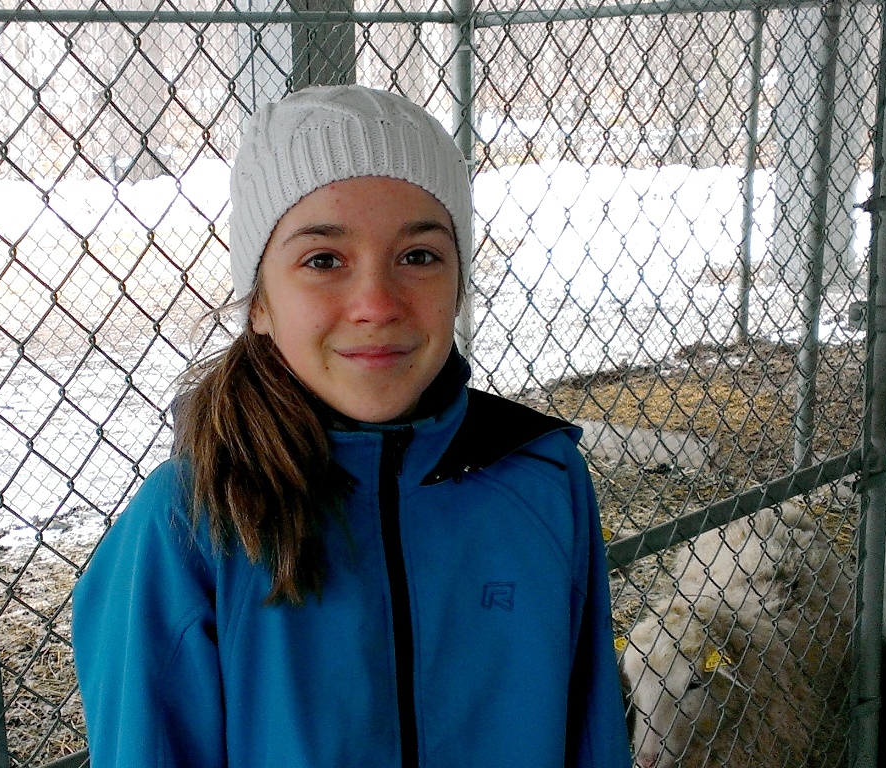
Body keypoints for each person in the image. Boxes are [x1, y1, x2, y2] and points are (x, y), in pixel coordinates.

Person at [72, 84, 632, 768]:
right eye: (323, 261)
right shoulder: (191, 522)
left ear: (458, 284)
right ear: (259, 303)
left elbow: (591, 733)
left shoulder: (543, 476)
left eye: (418, 256)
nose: (376, 303)